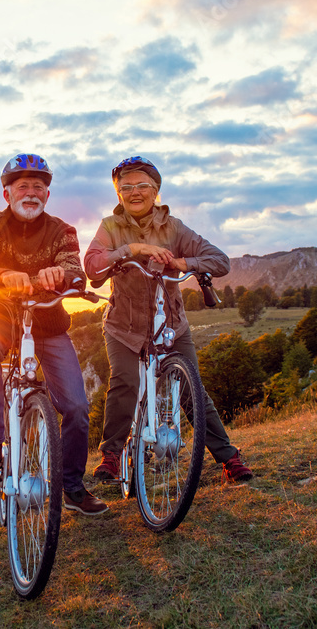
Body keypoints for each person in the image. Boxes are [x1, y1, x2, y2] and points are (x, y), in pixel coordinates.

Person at [83, 155, 254, 484]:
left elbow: (219, 260)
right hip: (124, 327)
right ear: (118, 194)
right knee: (125, 382)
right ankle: (113, 453)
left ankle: (228, 457)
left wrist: (182, 261)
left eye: (142, 185)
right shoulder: (111, 227)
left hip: (171, 324)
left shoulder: (174, 227)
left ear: (156, 190)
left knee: (193, 391)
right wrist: (133, 249)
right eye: (126, 187)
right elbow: (92, 265)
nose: (134, 192)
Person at [0, 153, 108, 515]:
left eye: (39, 187)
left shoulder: (62, 230)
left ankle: (73, 488)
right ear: (7, 194)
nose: (31, 193)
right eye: (23, 186)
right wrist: (1, 275)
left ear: (47, 195)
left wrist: (59, 275)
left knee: (76, 407)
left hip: (45, 322)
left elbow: (77, 273)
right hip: (1, 316)